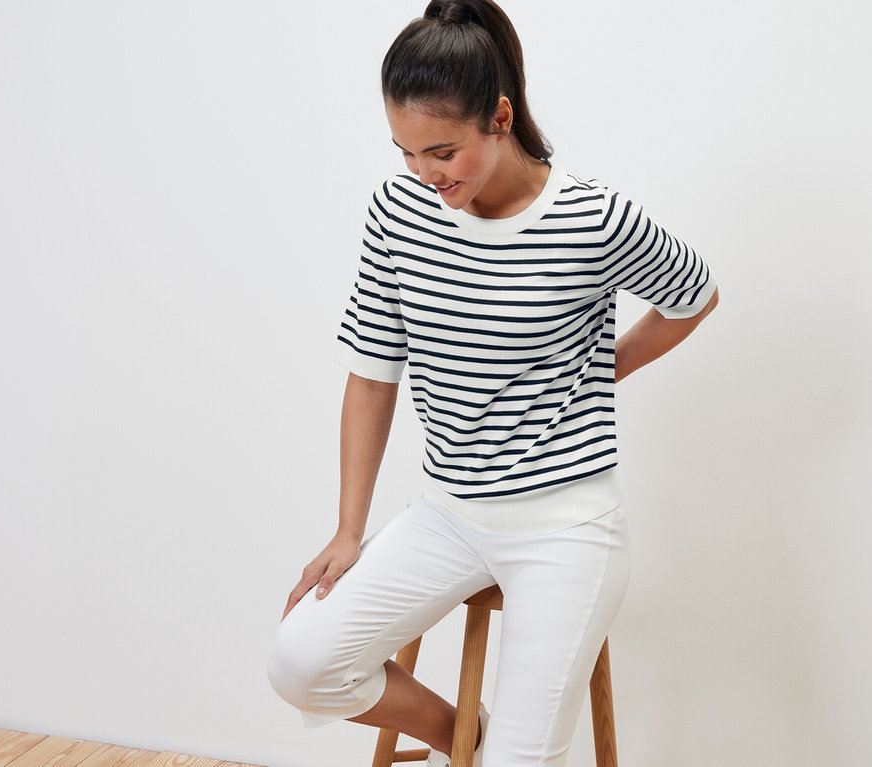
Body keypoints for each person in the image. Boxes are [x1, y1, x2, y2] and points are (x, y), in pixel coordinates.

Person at [267, 1, 719, 764]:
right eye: (406, 152)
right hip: (448, 513)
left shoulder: (590, 218)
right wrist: (350, 529)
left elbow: (694, 293)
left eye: (441, 151)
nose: (425, 174)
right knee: (300, 661)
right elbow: (373, 376)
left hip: (567, 527)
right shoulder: (398, 212)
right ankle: (459, 735)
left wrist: (607, 368)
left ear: (500, 116)